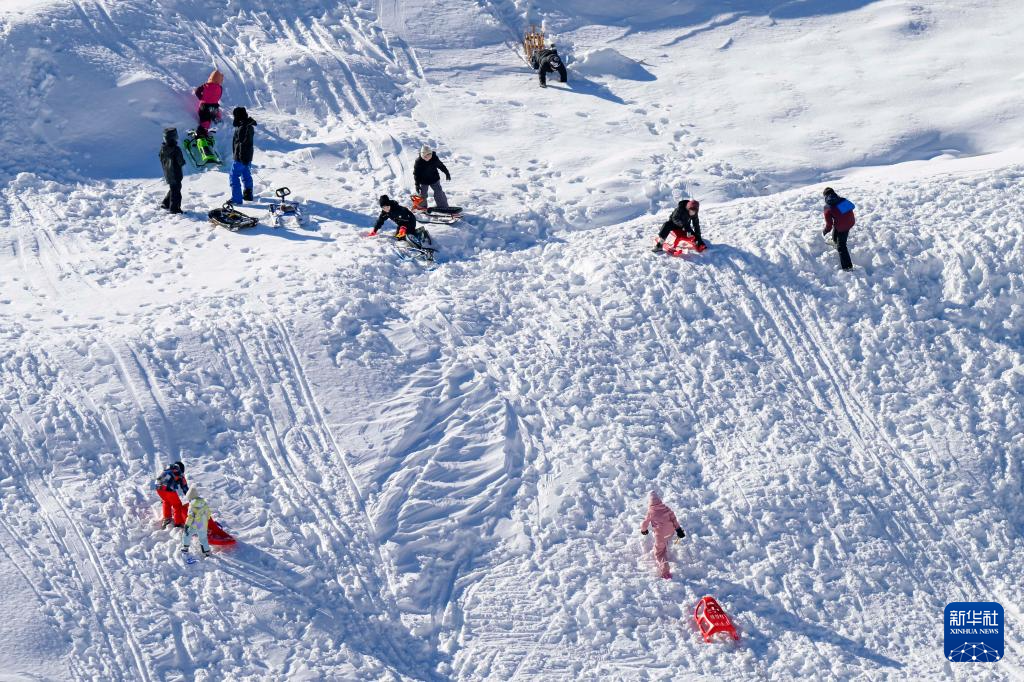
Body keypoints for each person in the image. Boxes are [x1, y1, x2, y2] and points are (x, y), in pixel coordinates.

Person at [640, 491, 685, 579]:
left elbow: (645, 522)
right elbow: (674, 519)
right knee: (665, 539)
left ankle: (665, 568)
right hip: (670, 532)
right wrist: (679, 530)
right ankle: (665, 544)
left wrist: (644, 530)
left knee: (659, 552)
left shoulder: (650, 511)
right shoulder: (667, 509)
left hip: (660, 536)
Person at [822, 187, 855, 271]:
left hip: (842, 227)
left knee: (842, 246)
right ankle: (834, 242)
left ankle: (847, 267)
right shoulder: (842, 200)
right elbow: (852, 206)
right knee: (836, 232)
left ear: (825, 196)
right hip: (850, 222)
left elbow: (829, 224)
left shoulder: (827, 208)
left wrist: (825, 231)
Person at [230, 107, 257, 204]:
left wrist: (241, 157)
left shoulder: (243, 126)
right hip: (247, 156)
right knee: (246, 174)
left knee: (233, 176)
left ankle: (236, 199)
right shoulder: (248, 125)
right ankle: (248, 194)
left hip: (241, 157)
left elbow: (242, 143)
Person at [413, 145, 451, 210]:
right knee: (423, 194)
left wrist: (447, 173)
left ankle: (443, 206)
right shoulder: (418, 161)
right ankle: (422, 207)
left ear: (431, 154)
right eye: (425, 156)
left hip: (434, 179)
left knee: (439, 192)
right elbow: (416, 174)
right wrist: (417, 184)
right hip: (423, 181)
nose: (427, 158)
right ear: (422, 155)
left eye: (429, 155)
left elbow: (441, 166)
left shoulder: (434, 158)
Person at [159, 128, 185, 214]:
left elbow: (161, 158)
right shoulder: (176, 149)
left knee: (173, 188)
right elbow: (181, 162)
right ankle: (175, 209)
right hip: (176, 174)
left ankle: (165, 203)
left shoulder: (162, 148)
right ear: (173, 138)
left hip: (168, 173)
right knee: (176, 192)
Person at [155, 461, 189, 528]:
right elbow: (184, 486)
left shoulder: (167, 469)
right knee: (177, 505)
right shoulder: (180, 473)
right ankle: (178, 523)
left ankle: (167, 519)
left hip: (158, 486)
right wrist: (190, 496)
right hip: (168, 488)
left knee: (166, 501)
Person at [181, 487, 213, 558]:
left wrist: (186, 525)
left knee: (187, 534)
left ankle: (185, 548)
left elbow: (190, 517)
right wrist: (205, 520)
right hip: (203, 524)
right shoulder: (203, 503)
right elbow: (208, 513)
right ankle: (206, 551)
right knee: (203, 538)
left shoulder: (192, 505)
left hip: (196, 523)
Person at [194, 70, 224, 134]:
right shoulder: (220, 88)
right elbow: (219, 96)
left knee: (205, 118)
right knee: (215, 112)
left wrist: (201, 98)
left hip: (204, 107)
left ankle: (204, 129)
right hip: (214, 106)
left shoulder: (205, 85)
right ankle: (217, 118)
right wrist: (215, 100)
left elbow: (197, 91)